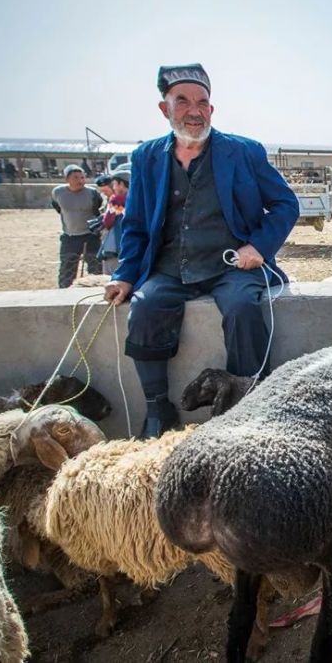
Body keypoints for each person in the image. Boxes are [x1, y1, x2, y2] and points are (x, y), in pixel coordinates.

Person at [104, 64, 298, 438]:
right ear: (165, 109)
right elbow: (138, 223)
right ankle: (159, 408)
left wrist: (258, 245)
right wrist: (125, 275)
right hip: (169, 267)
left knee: (243, 309)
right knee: (145, 308)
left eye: (202, 102)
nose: (194, 110)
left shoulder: (244, 152)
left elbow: (285, 204)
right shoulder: (146, 157)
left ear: (212, 109)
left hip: (232, 268)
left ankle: (248, 401)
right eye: (183, 101)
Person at [52, 163, 103, 287]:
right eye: (75, 177)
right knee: (66, 268)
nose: (80, 181)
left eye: (82, 177)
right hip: (70, 236)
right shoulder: (58, 192)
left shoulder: (92, 193)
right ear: (67, 179)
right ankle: (64, 293)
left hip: (90, 235)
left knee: (96, 266)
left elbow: (97, 209)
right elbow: (58, 208)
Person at [98, 168, 130, 275]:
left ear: (121, 184)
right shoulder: (138, 198)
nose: (114, 187)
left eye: (115, 184)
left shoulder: (116, 201)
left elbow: (108, 221)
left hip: (116, 245)